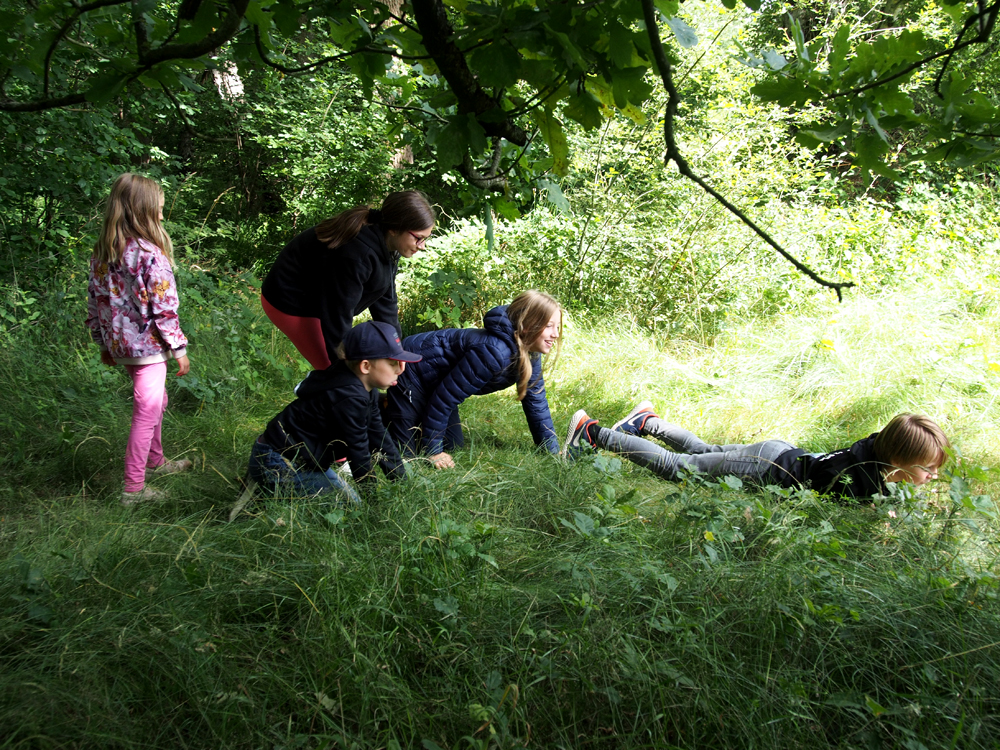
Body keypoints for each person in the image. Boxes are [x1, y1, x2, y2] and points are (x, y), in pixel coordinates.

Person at [562, 403, 949, 499]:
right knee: (681, 468)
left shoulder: (873, 456)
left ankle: (646, 421)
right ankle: (592, 432)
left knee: (703, 451)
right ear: (899, 461)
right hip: (765, 466)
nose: (933, 476)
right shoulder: (859, 483)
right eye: (928, 469)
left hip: (779, 451)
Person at [85, 173, 193, 506]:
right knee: (147, 409)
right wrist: (178, 348)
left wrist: (102, 343)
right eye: (158, 209)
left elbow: (95, 301)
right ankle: (133, 489)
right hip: (147, 347)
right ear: (142, 211)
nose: (162, 216)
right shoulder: (150, 256)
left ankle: (156, 461)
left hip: (121, 345)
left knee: (156, 401)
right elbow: (164, 310)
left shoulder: (105, 253)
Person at [383, 290, 563, 468]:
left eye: (557, 326)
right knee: (407, 454)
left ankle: (405, 408)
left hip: (437, 384)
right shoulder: (494, 352)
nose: (555, 334)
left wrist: (552, 450)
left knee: (453, 446)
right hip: (411, 370)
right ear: (527, 325)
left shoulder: (529, 353)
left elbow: (536, 401)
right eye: (548, 326)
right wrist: (433, 452)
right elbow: (445, 398)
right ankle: (380, 406)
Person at [246, 321, 420, 502]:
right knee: (350, 507)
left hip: (303, 460)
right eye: (393, 362)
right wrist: (372, 502)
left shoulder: (365, 387)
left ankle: (267, 486)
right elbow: (358, 451)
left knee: (350, 501)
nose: (401, 368)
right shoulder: (349, 396)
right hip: (281, 462)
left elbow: (379, 436)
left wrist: (403, 485)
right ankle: (265, 488)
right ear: (366, 366)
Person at [261, 191, 435, 371]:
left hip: (322, 303)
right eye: (418, 238)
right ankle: (318, 395)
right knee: (335, 370)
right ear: (394, 228)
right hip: (289, 299)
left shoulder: (389, 245)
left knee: (348, 373)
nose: (422, 246)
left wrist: (398, 351)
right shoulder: (357, 253)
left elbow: (386, 302)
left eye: (426, 239)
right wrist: (346, 366)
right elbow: (336, 317)